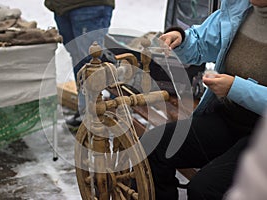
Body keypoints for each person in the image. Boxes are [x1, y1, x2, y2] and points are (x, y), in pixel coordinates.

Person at [140, 0, 267, 199]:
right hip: (229, 119)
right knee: (152, 146)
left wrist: (236, 87)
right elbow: (201, 41)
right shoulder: (240, 8)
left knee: (204, 189)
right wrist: (181, 39)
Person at [44, 0, 115, 126]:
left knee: (92, 57)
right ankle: (86, 111)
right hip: (62, 7)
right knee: (78, 58)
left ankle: (117, 105)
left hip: (89, 6)